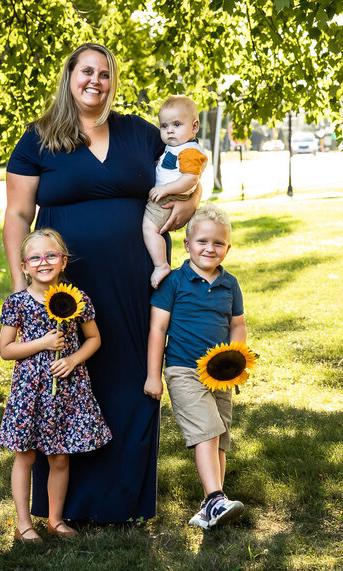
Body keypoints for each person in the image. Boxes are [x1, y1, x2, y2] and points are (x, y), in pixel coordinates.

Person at [2, 42, 200, 523]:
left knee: (132, 381)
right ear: (69, 76)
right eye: (86, 71)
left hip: (136, 281)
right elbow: (18, 214)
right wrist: (20, 289)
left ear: (113, 81)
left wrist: (188, 208)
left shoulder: (139, 132)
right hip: (63, 289)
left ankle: (125, 501)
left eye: (105, 73)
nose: (96, 80)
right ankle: (63, 508)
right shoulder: (39, 138)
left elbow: (188, 176)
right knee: (66, 388)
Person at [0, 228, 112, 543]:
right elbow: (6, 350)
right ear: (24, 267)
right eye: (35, 258)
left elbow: (94, 339)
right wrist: (42, 342)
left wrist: (74, 359)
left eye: (51, 256)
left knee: (60, 456)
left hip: (68, 388)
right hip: (30, 390)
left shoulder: (76, 299)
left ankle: (55, 520)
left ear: (63, 262)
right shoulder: (17, 302)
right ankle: (24, 524)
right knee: (25, 454)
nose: (43, 262)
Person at [144, 204, 246, 529]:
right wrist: (153, 375)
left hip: (220, 375)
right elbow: (157, 330)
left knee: (220, 436)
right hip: (183, 370)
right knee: (207, 430)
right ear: (187, 245)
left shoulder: (230, 285)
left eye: (218, 243)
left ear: (227, 248)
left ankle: (210, 505)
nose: (209, 248)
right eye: (202, 241)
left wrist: (237, 356)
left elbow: (237, 324)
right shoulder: (174, 282)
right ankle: (216, 498)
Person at [143, 95, 209, 289]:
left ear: (194, 127)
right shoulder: (175, 147)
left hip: (170, 197)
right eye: (164, 126)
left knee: (149, 228)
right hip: (167, 193)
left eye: (177, 124)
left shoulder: (189, 151)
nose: (169, 130)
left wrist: (165, 188)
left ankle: (161, 264)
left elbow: (191, 179)